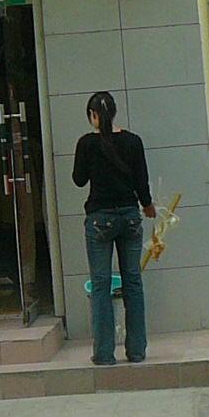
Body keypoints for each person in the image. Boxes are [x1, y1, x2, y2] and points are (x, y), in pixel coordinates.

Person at [71, 90, 156, 365]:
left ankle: (104, 354)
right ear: (114, 112)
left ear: (93, 115)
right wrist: (148, 205)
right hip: (130, 217)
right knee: (133, 281)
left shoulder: (86, 143)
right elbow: (141, 181)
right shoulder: (133, 141)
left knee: (101, 285)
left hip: (99, 219)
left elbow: (78, 179)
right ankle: (137, 350)